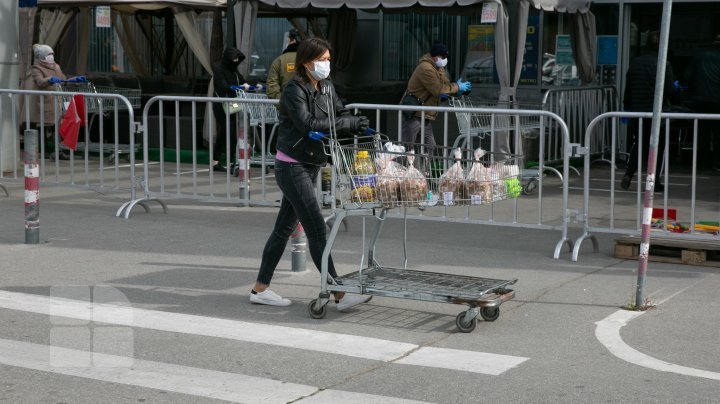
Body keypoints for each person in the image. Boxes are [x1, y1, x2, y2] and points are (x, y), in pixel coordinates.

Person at [251, 37, 371, 309]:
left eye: (329, 59)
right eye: (322, 60)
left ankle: (260, 289)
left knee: (282, 229)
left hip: (310, 162)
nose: (326, 64)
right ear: (306, 62)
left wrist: (354, 123)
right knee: (317, 230)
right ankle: (339, 293)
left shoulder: (326, 87)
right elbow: (308, 124)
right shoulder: (294, 90)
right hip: (292, 165)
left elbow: (338, 113)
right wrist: (344, 122)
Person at [620, 31, 674, 192]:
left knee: (639, 144)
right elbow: (670, 90)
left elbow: (628, 88)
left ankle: (629, 174)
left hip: (639, 112)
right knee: (659, 146)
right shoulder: (664, 64)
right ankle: (654, 181)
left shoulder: (635, 62)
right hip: (659, 113)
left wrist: (627, 107)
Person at [401, 42, 471, 148]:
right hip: (414, 113)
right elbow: (438, 89)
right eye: (443, 57)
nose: (445, 59)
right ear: (434, 57)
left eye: (446, 57)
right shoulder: (426, 68)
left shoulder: (438, 68)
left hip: (424, 113)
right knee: (407, 145)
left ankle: (421, 165)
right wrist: (457, 86)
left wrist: (458, 91)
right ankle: (401, 164)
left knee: (429, 145)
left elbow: (445, 86)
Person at [30, 44, 83, 159]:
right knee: (43, 127)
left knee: (57, 126)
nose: (51, 57)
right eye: (48, 55)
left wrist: (75, 80)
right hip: (44, 102)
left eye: (52, 54)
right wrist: (50, 80)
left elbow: (63, 80)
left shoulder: (56, 67)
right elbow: (40, 82)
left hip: (56, 101)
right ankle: (44, 152)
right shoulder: (36, 68)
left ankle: (57, 151)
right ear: (42, 57)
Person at [212, 47, 253, 172]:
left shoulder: (234, 71)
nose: (236, 62)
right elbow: (222, 86)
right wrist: (239, 87)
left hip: (232, 104)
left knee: (224, 133)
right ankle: (231, 163)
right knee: (230, 132)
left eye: (237, 59)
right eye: (234, 59)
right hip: (221, 104)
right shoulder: (219, 70)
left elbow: (243, 82)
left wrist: (252, 85)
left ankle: (215, 161)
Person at [684, 34, 720, 170]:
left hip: (700, 100)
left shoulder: (700, 56)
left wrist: (691, 90)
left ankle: (704, 162)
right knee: (718, 133)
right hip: (718, 101)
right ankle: (717, 163)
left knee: (703, 133)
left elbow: (687, 76)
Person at [266, 29, 302, 100]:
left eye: (288, 39)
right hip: (308, 108)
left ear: (293, 40)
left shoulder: (279, 60)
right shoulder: (311, 58)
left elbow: (272, 87)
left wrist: (283, 103)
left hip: (286, 106)